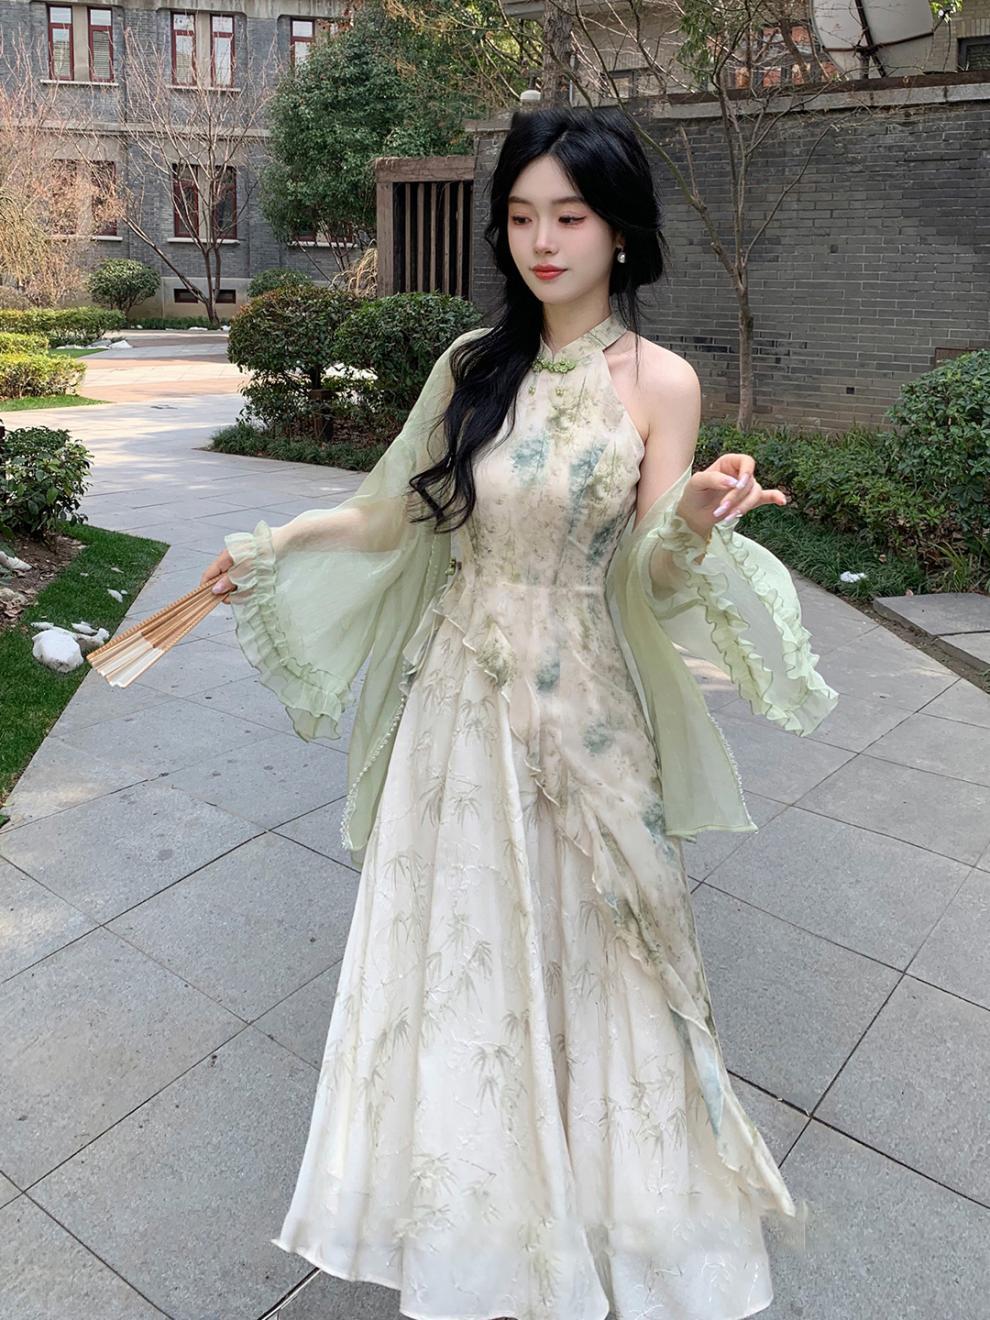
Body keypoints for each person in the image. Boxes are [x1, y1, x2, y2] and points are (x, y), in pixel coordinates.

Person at [200, 105, 837, 1320]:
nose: (544, 241)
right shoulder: (469, 366)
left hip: (587, 705)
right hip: (461, 706)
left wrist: (693, 520)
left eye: (571, 216)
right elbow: (393, 516)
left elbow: (650, 575)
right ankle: (477, 1234)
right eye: (524, 217)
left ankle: (623, 1228)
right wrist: (275, 543)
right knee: (464, 963)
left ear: (619, 231)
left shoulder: (661, 382)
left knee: (612, 958)